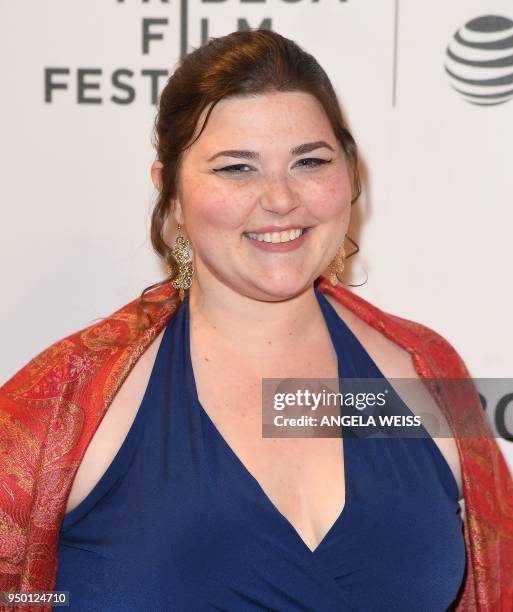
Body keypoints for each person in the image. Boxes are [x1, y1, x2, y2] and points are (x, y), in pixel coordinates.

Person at [1, 29, 512, 612]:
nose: (279, 199)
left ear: (348, 174)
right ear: (170, 193)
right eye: (237, 168)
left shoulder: (422, 372)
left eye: (310, 162)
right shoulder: (69, 400)